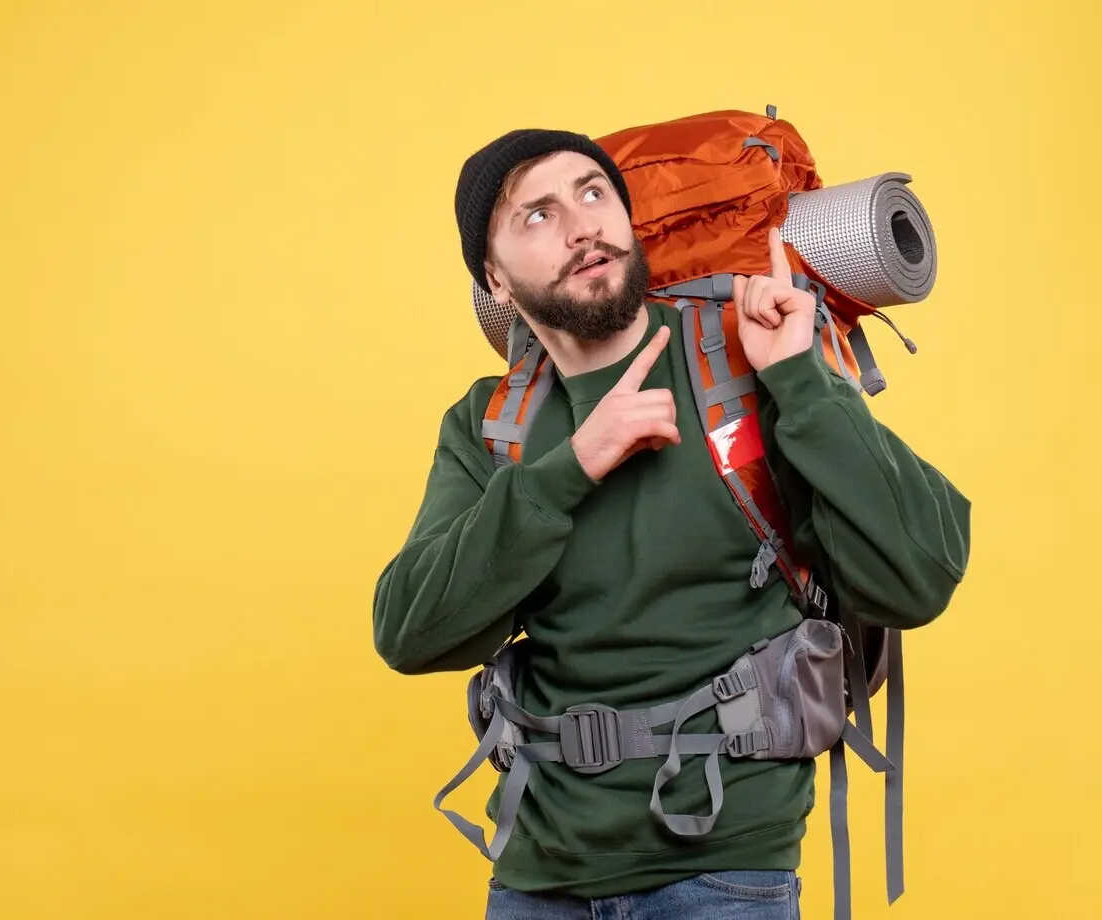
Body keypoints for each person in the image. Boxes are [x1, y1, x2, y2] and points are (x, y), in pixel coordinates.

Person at [372, 128, 972, 919]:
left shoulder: (749, 359)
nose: (581, 224)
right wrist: (571, 468)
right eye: (536, 215)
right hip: (536, 878)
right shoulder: (492, 423)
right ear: (496, 278)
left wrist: (798, 377)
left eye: (594, 194)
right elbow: (411, 632)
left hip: (725, 876)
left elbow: (920, 575)